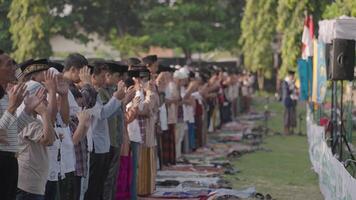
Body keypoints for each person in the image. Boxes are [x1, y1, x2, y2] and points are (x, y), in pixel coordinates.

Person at [0, 51, 44, 200]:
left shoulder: (6, 96)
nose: (14, 68)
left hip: (11, 161)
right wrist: (12, 108)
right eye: (8, 65)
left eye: (13, 63)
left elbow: (11, 131)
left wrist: (27, 110)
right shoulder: (8, 99)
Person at [16, 79, 56, 200]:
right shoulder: (29, 122)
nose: (45, 101)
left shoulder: (35, 120)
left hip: (33, 184)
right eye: (42, 98)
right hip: (27, 186)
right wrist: (44, 113)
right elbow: (48, 140)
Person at [282, 70, 298, 135]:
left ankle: (292, 130)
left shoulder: (293, 82)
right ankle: (286, 130)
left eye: (293, 76)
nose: (293, 77)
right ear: (289, 76)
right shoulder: (285, 82)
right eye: (292, 76)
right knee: (287, 116)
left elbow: (295, 90)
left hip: (293, 101)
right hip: (287, 101)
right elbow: (286, 92)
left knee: (293, 116)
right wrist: (292, 89)